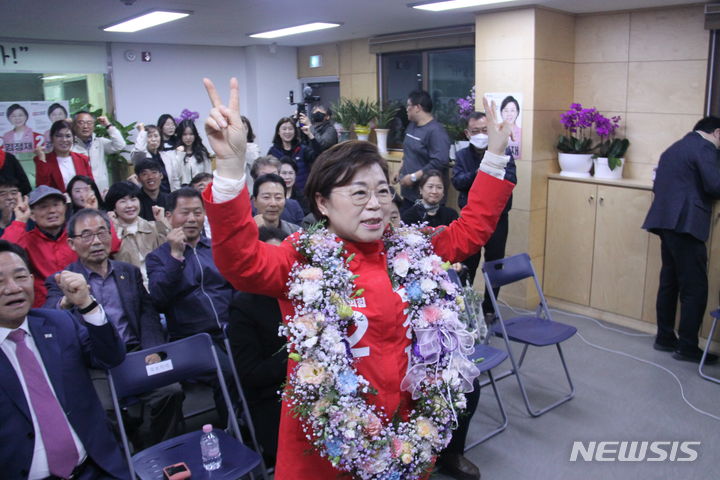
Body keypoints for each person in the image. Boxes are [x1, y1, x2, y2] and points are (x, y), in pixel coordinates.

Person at [200, 78, 514, 479]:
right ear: (322, 202)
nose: (375, 206)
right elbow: (240, 262)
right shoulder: (302, 260)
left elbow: (472, 230)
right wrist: (229, 169)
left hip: (403, 436)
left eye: (382, 192)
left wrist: (495, 155)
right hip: (326, 448)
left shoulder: (411, 251)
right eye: (358, 193)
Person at [44, 208, 184, 450]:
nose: (97, 241)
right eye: (87, 236)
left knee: (171, 390)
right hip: (95, 363)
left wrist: (152, 350)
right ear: (71, 243)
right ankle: (124, 459)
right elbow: (51, 315)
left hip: (135, 352)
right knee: (104, 409)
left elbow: (147, 314)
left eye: (102, 233)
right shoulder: (62, 279)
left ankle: (160, 453)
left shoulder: (127, 272)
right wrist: (66, 302)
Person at [0, 239, 129, 479]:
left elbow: (111, 357)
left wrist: (87, 305)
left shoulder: (58, 323)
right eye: (0, 281)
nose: (13, 288)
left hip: (96, 469)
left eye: (20, 277)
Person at [146, 187, 235, 423]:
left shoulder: (216, 248)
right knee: (227, 373)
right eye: (185, 213)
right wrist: (176, 256)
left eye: (198, 212)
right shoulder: (158, 257)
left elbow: (236, 288)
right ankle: (237, 431)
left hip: (232, 329)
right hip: (194, 338)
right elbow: (158, 299)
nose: (192, 219)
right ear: (168, 217)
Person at [642, 116, 720, 364]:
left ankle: (665, 337)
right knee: (694, 287)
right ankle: (688, 347)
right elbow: (715, 185)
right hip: (686, 224)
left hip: (666, 222)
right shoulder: (704, 147)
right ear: (717, 133)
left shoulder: (675, 147)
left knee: (670, 281)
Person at [227, 225, 289, 466]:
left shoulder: (305, 292)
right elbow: (251, 374)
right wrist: (297, 356)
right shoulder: (245, 306)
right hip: (273, 398)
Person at [453, 111, 517, 301]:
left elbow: (511, 179)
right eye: (475, 131)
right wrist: (482, 172)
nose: (480, 134)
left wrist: (490, 167)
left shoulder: (503, 154)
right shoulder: (462, 155)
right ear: (467, 133)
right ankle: (464, 307)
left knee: (495, 264)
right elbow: (458, 182)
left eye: (484, 130)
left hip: (498, 219)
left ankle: (490, 309)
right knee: (468, 263)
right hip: (470, 219)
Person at [105, 181, 169, 286]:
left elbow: (168, 255)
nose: (129, 205)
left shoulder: (153, 227)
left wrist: (162, 223)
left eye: (133, 199)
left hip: (159, 286)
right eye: (123, 201)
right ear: (114, 207)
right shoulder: (111, 233)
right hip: (130, 288)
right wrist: (114, 229)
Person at [398, 90, 451, 210]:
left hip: (427, 198)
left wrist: (413, 177)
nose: (406, 109)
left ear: (417, 108)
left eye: (408, 106)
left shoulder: (436, 131)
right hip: (408, 195)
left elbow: (439, 161)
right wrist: (399, 170)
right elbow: (408, 150)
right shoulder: (412, 125)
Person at [72, 111, 128, 193]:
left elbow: (120, 145)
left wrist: (108, 125)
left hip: (101, 191)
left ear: (94, 126)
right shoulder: (70, 146)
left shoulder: (100, 142)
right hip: (80, 193)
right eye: (81, 123)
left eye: (89, 123)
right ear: (74, 126)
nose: (85, 126)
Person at [34, 120, 94, 193]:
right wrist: (42, 160)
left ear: (73, 138)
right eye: (59, 136)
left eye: (68, 136)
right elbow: (41, 188)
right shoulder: (43, 160)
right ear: (51, 138)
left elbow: (91, 185)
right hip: (57, 202)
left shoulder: (82, 159)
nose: (64, 140)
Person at [267, 117, 315, 192]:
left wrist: (311, 135)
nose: (287, 132)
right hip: (279, 193)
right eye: (284, 129)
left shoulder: (303, 149)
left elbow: (318, 156)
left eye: (290, 129)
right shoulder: (273, 151)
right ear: (278, 132)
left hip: (302, 193)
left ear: (295, 131)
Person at [130, 123, 179, 192]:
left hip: (169, 196)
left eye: (156, 136)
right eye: (149, 136)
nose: (153, 139)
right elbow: (139, 149)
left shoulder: (166, 156)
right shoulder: (141, 156)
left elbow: (174, 179)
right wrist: (142, 131)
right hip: (149, 196)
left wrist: (176, 195)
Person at [174, 119, 212, 186]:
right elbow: (175, 175)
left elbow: (208, 175)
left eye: (191, 134)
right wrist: (180, 154)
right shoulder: (176, 153)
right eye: (185, 134)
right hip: (183, 190)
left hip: (201, 189)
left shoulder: (202, 153)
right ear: (180, 136)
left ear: (195, 135)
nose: (188, 137)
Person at [190, 173, 214, 238]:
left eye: (212, 186)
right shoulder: (190, 220)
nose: (209, 190)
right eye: (202, 187)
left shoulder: (226, 215)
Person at [242, 116, 261, 193]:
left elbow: (256, 168)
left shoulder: (254, 148)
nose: (242, 131)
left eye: (245, 128)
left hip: (250, 189)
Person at [500, 95, 521, 160]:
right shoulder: (495, 132)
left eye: (512, 110)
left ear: (517, 112)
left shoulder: (522, 133)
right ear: (501, 112)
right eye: (506, 110)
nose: (509, 114)